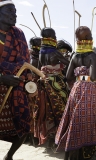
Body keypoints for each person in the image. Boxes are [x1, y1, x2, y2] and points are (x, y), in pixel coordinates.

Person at [55, 26, 96, 160]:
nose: (91, 39)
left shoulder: (74, 56)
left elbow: (67, 76)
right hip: (89, 90)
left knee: (75, 121)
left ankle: (73, 150)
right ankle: (85, 151)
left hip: (76, 88)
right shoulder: (92, 55)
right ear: (85, 40)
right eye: (89, 37)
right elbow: (93, 76)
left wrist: (77, 83)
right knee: (88, 121)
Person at [0, 1, 31, 159]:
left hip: (15, 87)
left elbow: (25, 62)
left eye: (15, 11)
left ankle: (9, 156)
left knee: (23, 125)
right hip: (3, 81)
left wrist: (21, 78)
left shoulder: (18, 34)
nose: (14, 15)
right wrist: (2, 78)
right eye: (10, 11)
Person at [34, 27, 70, 148]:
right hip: (56, 83)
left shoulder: (40, 52)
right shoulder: (55, 52)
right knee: (63, 108)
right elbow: (69, 64)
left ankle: (50, 137)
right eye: (54, 35)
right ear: (52, 38)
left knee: (47, 109)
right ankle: (59, 138)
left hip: (44, 83)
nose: (55, 38)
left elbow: (39, 69)